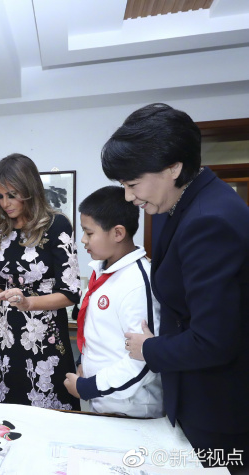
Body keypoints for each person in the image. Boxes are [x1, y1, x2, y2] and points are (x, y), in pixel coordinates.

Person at [101, 103, 249, 469]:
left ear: (173, 168)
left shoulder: (209, 220)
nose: (128, 197)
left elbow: (213, 341)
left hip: (218, 407)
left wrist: (149, 348)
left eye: (132, 184)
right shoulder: (181, 204)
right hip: (197, 395)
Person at [0, 154, 81, 408]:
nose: (5, 203)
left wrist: (29, 303)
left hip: (46, 336)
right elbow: (3, 284)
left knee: (48, 410)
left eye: (11, 195)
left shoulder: (57, 225)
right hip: (8, 334)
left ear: (29, 190)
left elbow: (70, 293)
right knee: (11, 411)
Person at [63, 186, 162, 418]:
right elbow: (100, 332)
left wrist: (87, 387)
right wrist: (83, 361)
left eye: (89, 233)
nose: (83, 240)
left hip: (132, 409)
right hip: (105, 401)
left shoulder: (137, 282)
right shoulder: (103, 271)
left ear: (118, 233)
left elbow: (144, 360)